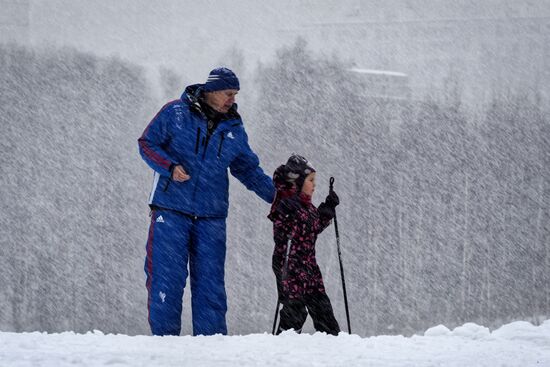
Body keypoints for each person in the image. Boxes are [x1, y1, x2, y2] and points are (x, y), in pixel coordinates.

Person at [138, 67, 275, 336]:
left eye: (235, 95)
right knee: (166, 281)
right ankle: (165, 348)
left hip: (211, 216)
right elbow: (146, 144)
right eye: (228, 93)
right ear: (211, 91)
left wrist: (279, 199)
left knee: (211, 286)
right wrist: (169, 166)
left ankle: (212, 349)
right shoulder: (175, 113)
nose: (232, 100)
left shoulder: (233, 128)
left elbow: (247, 169)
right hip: (170, 210)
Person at [269, 154, 341, 335]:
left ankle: (332, 344)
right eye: (310, 180)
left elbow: (313, 227)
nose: (314, 185)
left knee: (322, 308)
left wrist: (327, 209)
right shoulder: (286, 204)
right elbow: (284, 231)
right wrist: (287, 216)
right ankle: (283, 349)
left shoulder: (306, 207)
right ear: (297, 182)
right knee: (295, 312)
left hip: (308, 265)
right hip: (289, 265)